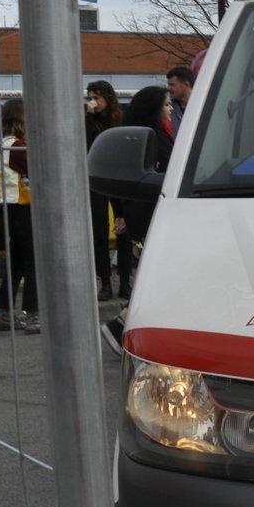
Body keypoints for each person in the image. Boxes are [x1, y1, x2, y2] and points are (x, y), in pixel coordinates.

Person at [101, 87, 175, 354]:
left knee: (161, 271)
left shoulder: (139, 134)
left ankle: (125, 324)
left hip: (143, 211)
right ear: (154, 108)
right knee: (164, 272)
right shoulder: (153, 136)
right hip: (151, 212)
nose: (170, 109)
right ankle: (121, 322)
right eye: (166, 105)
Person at [0, 98, 39, 333]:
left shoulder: (4, 144)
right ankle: (33, 315)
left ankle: (4, 312)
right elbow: (39, 171)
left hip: (7, 210)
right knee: (32, 265)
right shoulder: (19, 147)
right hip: (22, 209)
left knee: (16, 265)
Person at [85, 80, 132, 300]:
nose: (94, 102)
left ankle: (125, 280)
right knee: (99, 230)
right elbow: (83, 144)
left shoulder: (119, 118)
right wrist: (88, 116)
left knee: (124, 228)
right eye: (90, 97)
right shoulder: (89, 121)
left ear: (108, 98)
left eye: (97, 98)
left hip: (118, 175)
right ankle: (105, 281)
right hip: (96, 178)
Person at [166, 66, 194, 134]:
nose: (168, 88)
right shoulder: (168, 109)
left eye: (172, 85)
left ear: (186, 84)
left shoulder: (204, 106)